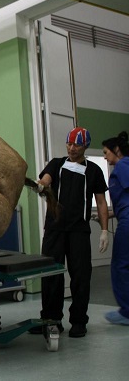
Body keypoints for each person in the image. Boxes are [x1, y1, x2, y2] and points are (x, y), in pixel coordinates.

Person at [29, 126, 109, 338]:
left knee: (80, 276)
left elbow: (101, 202)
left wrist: (103, 230)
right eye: (69, 144)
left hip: (79, 231)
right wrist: (41, 185)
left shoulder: (93, 171)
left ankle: (79, 321)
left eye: (77, 145)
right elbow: (46, 179)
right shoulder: (57, 164)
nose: (72, 148)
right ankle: (51, 319)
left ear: (85, 146)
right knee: (51, 275)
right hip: (55, 229)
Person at [102, 131, 129, 326]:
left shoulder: (124, 165)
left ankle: (126, 312)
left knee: (120, 265)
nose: (105, 156)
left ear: (116, 150)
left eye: (106, 152)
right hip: (125, 217)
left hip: (128, 223)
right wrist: (108, 214)